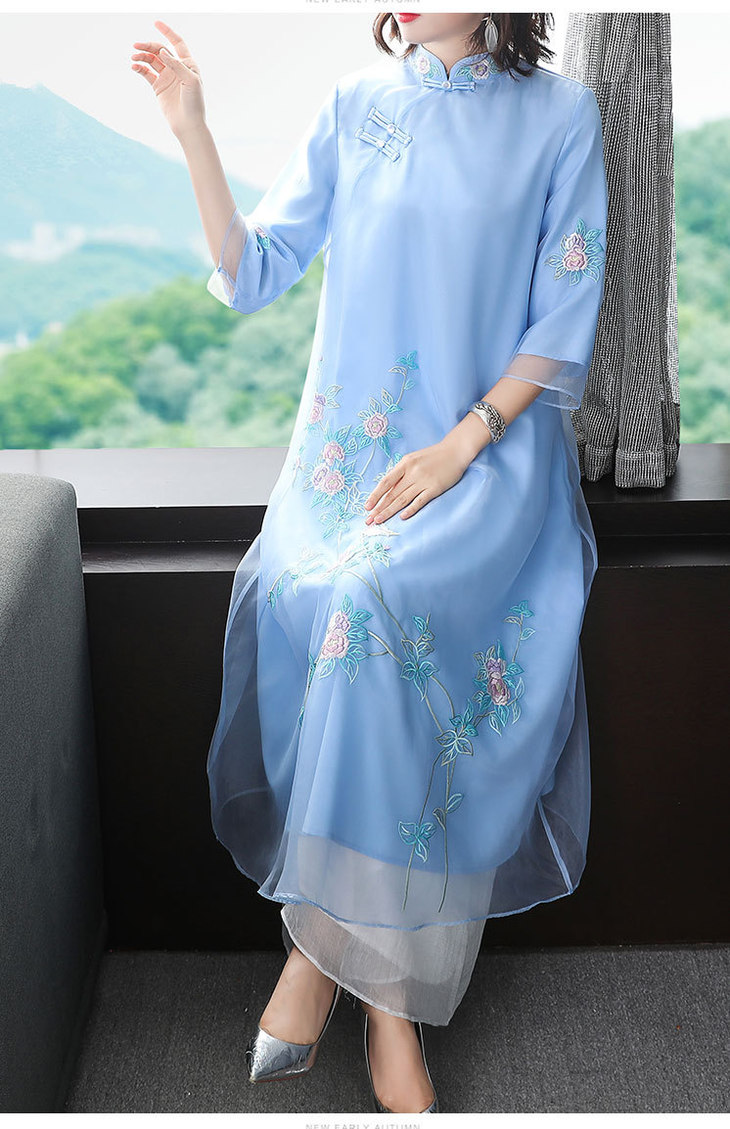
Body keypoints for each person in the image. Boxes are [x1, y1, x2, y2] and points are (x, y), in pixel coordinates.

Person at [131, 9, 607, 1114]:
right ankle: (388, 1006)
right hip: (347, 469)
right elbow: (254, 271)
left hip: (487, 461)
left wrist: (463, 443)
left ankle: (314, 962)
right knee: (343, 596)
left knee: (370, 603)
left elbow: (563, 313)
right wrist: (193, 127)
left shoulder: (560, 117)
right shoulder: (355, 106)